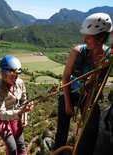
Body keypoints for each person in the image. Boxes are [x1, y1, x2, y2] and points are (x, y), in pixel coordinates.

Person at [54, 13, 113, 155]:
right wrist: (68, 104)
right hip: (70, 92)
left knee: (91, 128)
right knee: (63, 126)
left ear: (100, 38)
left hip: (89, 94)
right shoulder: (78, 51)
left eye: (88, 37)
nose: (84, 40)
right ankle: (57, 151)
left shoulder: (108, 56)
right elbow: (66, 78)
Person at [0, 55, 34, 155]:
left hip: (16, 117)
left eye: (16, 76)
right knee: (12, 147)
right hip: (1, 119)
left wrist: (24, 118)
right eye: (11, 76)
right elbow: (1, 114)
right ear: (3, 74)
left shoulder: (19, 83)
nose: (14, 79)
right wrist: (21, 111)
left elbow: (23, 101)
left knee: (21, 145)